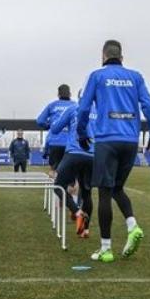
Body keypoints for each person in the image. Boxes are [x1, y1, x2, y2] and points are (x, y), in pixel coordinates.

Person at [77, 39, 150, 263]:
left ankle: (106, 248)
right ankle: (132, 225)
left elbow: (84, 107)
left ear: (103, 56)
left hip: (106, 140)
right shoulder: (136, 77)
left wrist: (81, 132)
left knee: (104, 192)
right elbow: (149, 105)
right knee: (118, 188)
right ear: (121, 58)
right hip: (130, 141)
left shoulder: (97, 76)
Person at [50, 96, 94, 238]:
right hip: (93, 155)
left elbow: (55, 128)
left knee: (58, 186)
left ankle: (77, 211)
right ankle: (84, 230)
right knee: (87, 193)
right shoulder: (99, 110)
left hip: (74, 153)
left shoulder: (73, 108)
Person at [36, 85, 75, 173]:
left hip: (55, 142)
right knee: (70, 174)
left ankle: (55, 186)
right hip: (70, 144)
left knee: (53, 171)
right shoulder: (75, 105)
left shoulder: (52, 105)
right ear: (70, 94)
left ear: (58, 94)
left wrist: (49, 126)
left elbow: (40, 121)